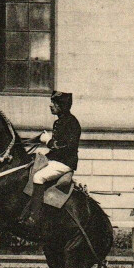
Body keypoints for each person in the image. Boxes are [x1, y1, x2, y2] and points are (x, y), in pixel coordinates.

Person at [19, 91, 81, 230]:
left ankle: (34, 216)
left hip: (65, 162)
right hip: (56, 159)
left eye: (54, 103)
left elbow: (66, 147)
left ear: (62, 106)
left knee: (38, 177)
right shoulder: (59, 121)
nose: (51, 106)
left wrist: (48, 142)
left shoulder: (71, 123)